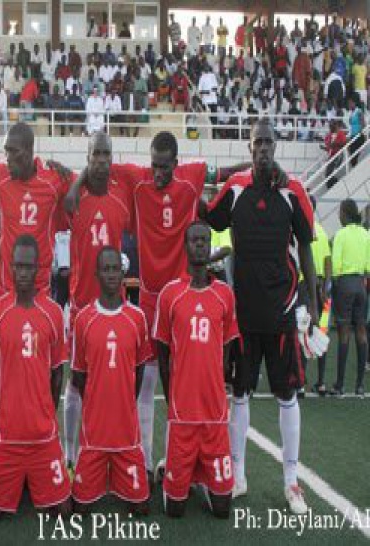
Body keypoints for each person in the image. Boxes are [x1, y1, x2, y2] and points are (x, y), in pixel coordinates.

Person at [64, 131, 255, 483]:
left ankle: (180, 459)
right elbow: (96, 164)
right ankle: (147, 460)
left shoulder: (192, 175)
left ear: (176, 164)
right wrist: (75, 186)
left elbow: (225, 172)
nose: (157, 173)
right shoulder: (137, 179)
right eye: (153, 165)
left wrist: (256, 167)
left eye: (164, 167)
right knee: (148, 380)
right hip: (151, 297)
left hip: (183, 295)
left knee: (180, 382)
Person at [202, 118, 318, 515]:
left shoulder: (294, 190)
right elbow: (205, 213)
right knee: (240, 393)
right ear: (249, 149)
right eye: (257, 143)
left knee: (287, 395)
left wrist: (315, 306)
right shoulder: (235, 191)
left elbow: (305, 250)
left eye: (269, 142)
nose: (264, 148)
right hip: (244, 313)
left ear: (276, 146)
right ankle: (238, 475)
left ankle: (290, 480)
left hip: (283, 311)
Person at [0, 235, 72, 519]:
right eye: (17, 266)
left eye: (28, 267)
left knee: (64, 511)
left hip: (43, 434)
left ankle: (31, 480)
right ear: (9, 266)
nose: (22, 273)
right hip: (7, 434)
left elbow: (58, 372)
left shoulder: (54, 313)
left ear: (39, 269)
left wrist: (47, 410)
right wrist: (1, 409)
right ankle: (23, 481)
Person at [154, 220, 239, 518]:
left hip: (215, 415)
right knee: (174, 511)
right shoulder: (170, 294)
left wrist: (218, 382)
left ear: (209, 245)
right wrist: (171, 396)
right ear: (186, 246)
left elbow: (226, 351)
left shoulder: (225, 295)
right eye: (194, 240)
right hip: (183, 415)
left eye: (205, 240)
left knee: (223, 510)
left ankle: (200, 476)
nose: (200, 245)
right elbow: (162, 353)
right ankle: (179, 471)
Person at [62, 133, 132, 474]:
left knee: (115, 383)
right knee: (76, 383)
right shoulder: (75, 201)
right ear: (88, 158)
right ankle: (70, 453)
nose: (102, 160)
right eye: (96, 154)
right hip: (80, 307)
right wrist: (75, 183)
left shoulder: (122, 199)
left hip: (115, 310)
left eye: (107, 154)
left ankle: (116, 452)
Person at [71, 246, 151, 514]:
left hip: (126, 435)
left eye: (115, 269)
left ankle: (120, 476)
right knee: (80, 508)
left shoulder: (137, 318)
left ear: (122, 272)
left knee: (140, 508)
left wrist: (125, 400)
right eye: (105, 269)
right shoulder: (83, 320)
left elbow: (140, 370)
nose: (111, 274)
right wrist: (96, 402)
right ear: (96, 274)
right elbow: (78, 376)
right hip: (93, 435)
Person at [0, 122, 73, 295]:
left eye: (13, 151)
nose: (8, 157)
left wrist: (70, 173)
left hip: (40, 289)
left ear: (29, 151)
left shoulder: (53, 180)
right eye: (6, 150)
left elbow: (88, 187)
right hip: (6, 287)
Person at [329, 199, 370, 398]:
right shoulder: (365, 234)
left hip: (345, 283)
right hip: (361, 284)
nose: (338, 216)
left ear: (345, 213)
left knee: (344, 333)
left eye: (339, 212)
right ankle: (360, 386)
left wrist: (335, 285)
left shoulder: (341, 235)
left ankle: (340, 385)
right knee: (361, 331)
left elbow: (336, 265)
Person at [308, 196, 331, 396]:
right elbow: (328, 261)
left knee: (299, 331)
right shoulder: (322, 231)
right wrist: (325, 288)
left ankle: (299, 382)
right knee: (320, 332)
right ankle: (321, 382)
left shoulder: (298, 228)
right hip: (320, 286)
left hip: (302, 286)